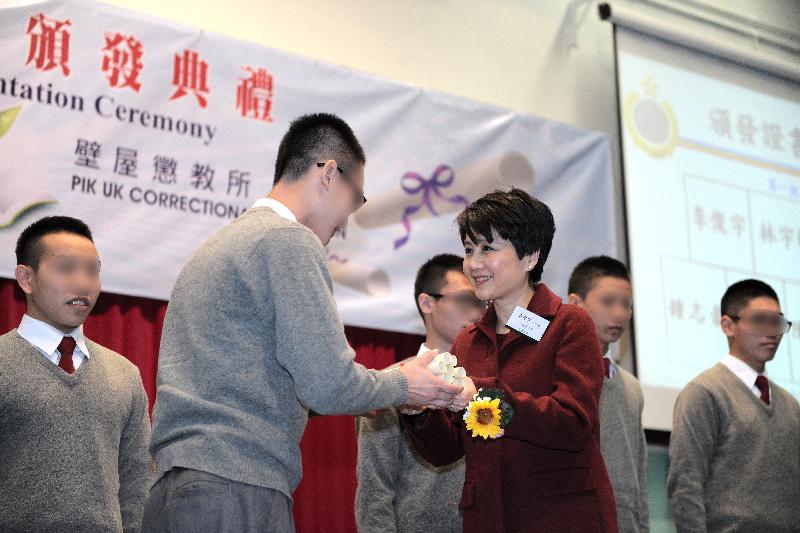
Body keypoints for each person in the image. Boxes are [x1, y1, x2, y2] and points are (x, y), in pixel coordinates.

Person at [143, 113, 462, 532]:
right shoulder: (288, 241)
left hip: (178, 492)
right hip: (237, 490)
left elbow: (295, 385)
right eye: (355, 199)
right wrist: (406, 385)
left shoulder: (218, 246)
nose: (346, 221)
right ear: (330, 173)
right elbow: (329, 384)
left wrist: (379, 383)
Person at [402, 189, 618, 533]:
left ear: (531, 256)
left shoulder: (568, 323)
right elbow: (447, 450)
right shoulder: (467, 341)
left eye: (488, 248)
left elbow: (574, 424)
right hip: (487, 517)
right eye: (469, 250)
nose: (473, 263)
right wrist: (418, 414)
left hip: (561, 517)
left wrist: (483, 396)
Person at [0, 216, 151, 532]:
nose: (83, 283)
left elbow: (137, 481)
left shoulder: (125, 375)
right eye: (66, 268)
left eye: (93, 271)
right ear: (26, 278)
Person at [356, 253, 484, 532]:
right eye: (464, 300)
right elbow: (374, 491)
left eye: (480, 303)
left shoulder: (489, 382)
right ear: (427, 303)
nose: (475, 313)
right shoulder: (394, 383)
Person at [667, 279, 800, 532]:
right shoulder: (704, 392)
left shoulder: (792, 406)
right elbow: (685, 484)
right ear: (728, 325)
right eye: (760, 320)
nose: (772, 331)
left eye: (777, 321)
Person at [568, 256, 648, 532]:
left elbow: (638, 469)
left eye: (626, 304)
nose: (619, 313)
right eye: (608, 301)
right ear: (575, 304)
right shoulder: (559, 373)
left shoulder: (632, 387)